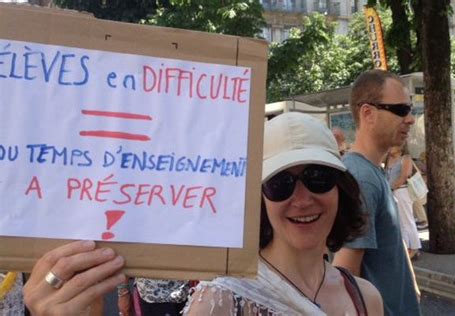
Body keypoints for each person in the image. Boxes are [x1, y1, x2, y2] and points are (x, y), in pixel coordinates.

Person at [23, 112, 383, 315]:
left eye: (318, 178)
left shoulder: (365, 297)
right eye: (280, 184)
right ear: (258, 198)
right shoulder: (221, 301)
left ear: (341, 189)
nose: (302, 199)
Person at [332, 69, 421, 316]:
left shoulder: (370, 171)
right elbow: (345, 276)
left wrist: (409, 281)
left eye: (410, 109)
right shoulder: (361, 179)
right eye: (401, 110)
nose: (410, 119)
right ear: (368, 113)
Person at [385, 145, 422, 259]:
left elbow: (404, 176)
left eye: (393, 145)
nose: (390, 147)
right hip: (392, 192)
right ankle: (405, 247)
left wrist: (391, 188)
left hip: (402, 191)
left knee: (407, 220)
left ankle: (414, 247)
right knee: (400, 222)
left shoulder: (405, 159)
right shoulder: (388, 159)